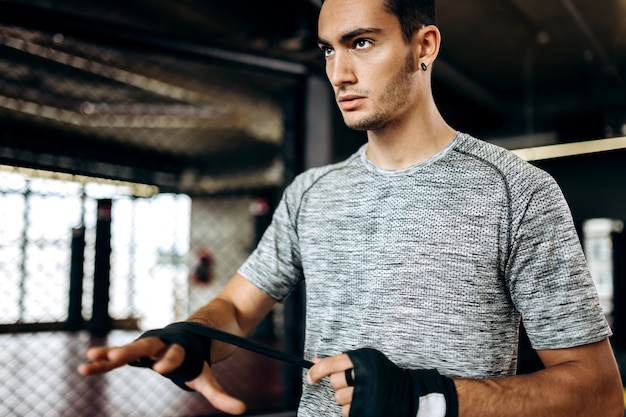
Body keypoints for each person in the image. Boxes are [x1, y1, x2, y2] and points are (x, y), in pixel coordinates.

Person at [79, 0, 625, 415]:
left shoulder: (517, 191)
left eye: (361, 43)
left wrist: (428, 399)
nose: (338, 72)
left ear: (424, 47)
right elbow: (237, 310)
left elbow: (600, 393)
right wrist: (195, 336)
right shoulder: (311, 193)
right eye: (328, 49)